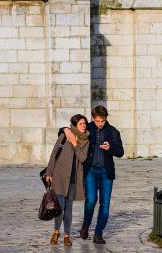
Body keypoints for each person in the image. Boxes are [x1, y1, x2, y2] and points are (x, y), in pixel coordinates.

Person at [79, 105, 124, 245]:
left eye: (102, 121)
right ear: (93, 118)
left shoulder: (113, 132)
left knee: (105, 204)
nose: (100, 123)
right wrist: (65, 130)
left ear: (106, 119)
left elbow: (120, 152)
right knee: (91, 200)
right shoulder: (88, 128)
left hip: (106, 172)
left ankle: (98, 233)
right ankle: (86, 225)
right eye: (97, 121)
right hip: (90, 171)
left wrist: (110, 148)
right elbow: (70, 128)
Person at [45, 114, 90, 247]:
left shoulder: (86, 140)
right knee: (60, 207)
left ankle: (66, 235)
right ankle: (56, 232)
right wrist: (49, 172)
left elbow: (82, 158)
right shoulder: (64, 136)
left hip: (74, 179)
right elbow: (54, 154)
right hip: (59, 177)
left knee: (68, 207)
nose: (84, 126)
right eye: (81, 124)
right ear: (75, 125)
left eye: (85, 124)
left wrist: (76, 144)